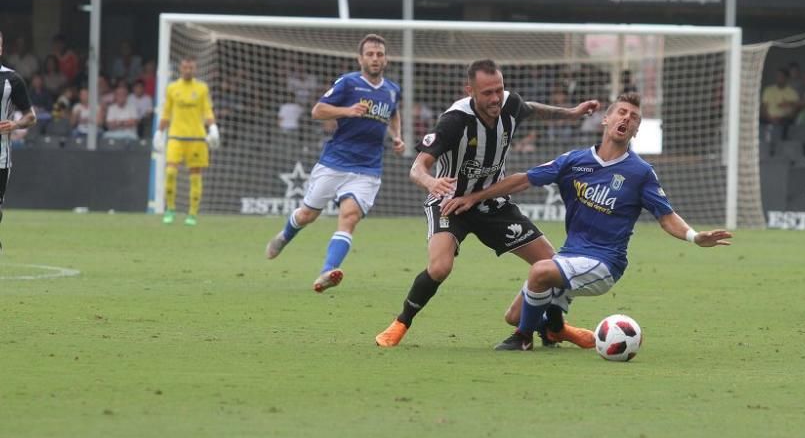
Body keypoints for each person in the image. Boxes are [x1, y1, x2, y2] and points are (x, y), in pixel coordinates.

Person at [442, 92, 732, 351]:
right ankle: (554, 328)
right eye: (621, 112)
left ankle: (523, 339)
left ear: (636, 129)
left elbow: (666, 217)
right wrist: (475, 197)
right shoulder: (574, 160)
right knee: (513, 314)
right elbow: (523, 180)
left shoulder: (640, 172)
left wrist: (695, 237)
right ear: (606, 119)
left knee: (540, 271)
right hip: (571, 256)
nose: (626, 119)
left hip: (605, 263)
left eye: (633, 117)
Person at [374, 59, 601, 348]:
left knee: (552, 265)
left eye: (499, 90)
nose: (496, 99)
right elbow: (417, 168)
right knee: (441, 266)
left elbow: (531, 108)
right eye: (487, 93)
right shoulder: (455, 121)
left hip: (493, 204)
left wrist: (571, 113)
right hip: (451, 203)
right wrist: (432, 183)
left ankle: (555, 329)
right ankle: (401, 323)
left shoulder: (509, 104)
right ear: (470, 90)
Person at [265, 35, 404, 291]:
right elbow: (317, 111)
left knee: (349, 217)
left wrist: (397, 136)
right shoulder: (348, 83)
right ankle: (285, 236)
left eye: (380, 54)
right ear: (360, 58)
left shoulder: (392, 89)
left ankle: (327, 271)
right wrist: (347, 111)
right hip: (335, 163)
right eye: (370, 54)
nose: (375, 58)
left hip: (368, 169)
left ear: (385, 59)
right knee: (308, 215)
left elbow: (394, 113)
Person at [153, 56, 220, 227]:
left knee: (195, 176)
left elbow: (207, 111)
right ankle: (170, 209)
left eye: (191, 68)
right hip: (176, 137)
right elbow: (166, 113)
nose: (188, 70)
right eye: (185, 68)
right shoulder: (172, 88)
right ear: (181, 69)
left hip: (197, 138)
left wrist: (213, 128)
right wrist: (159, 133)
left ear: (195, 69)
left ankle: (192, 213)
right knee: (170, 172)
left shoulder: (202, 88)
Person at [0, 31, 38, 251]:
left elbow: (30, 117)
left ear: (1, 48)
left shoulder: (12, 80)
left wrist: (14, 125)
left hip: (1, 155)